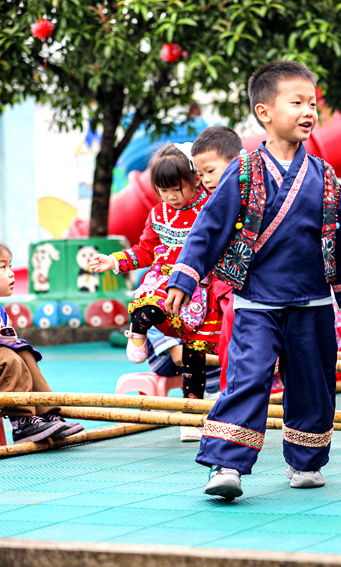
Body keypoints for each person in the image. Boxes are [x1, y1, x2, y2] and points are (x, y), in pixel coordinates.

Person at [164, 61, 341, 500]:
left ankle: (305, 461)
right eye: (296, 102)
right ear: (264, 112)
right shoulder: (241, 172)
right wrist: (183, 280)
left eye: (312, 104)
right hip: (256, 303)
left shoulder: (326, 176)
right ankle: (227, 464)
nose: (308, 111)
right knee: (247, 377)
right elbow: (208, 229)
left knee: (313, 382)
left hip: (314, 303)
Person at [91, 144, 220, 404]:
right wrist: (113, 261)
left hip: (200, 289)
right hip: (164, 281)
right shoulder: (158, 213)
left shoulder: (209, 206)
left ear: (195, 179)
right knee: (147, 306)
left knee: (194, 356)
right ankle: (137, 333)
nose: (171, 196)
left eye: (177, 188)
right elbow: (145, 251)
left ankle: (192, 413)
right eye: (164, 190)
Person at [0, 240, 82, 443]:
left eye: (10, 266)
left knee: (22, 350)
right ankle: (22, 422)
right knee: (3, 355)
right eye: (2, 267)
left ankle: (47, 412)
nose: (11, 273)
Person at [190, 125, 243, 392]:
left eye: (210, 171)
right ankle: (229, 394)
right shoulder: (208, 204)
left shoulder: (253, 195)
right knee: (228, 343)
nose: (206, 180)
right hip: (223, 290)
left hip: (252, 289)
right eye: (201, 174)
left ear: (236, 161)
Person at [144, 327, 222, 441]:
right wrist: (228, 358)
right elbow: (179, 357)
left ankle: (213, 391)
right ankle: (190, 419)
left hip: (192, 348)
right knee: (199, 341)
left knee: (210, 331)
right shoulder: (158, 315)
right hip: (165, 358)